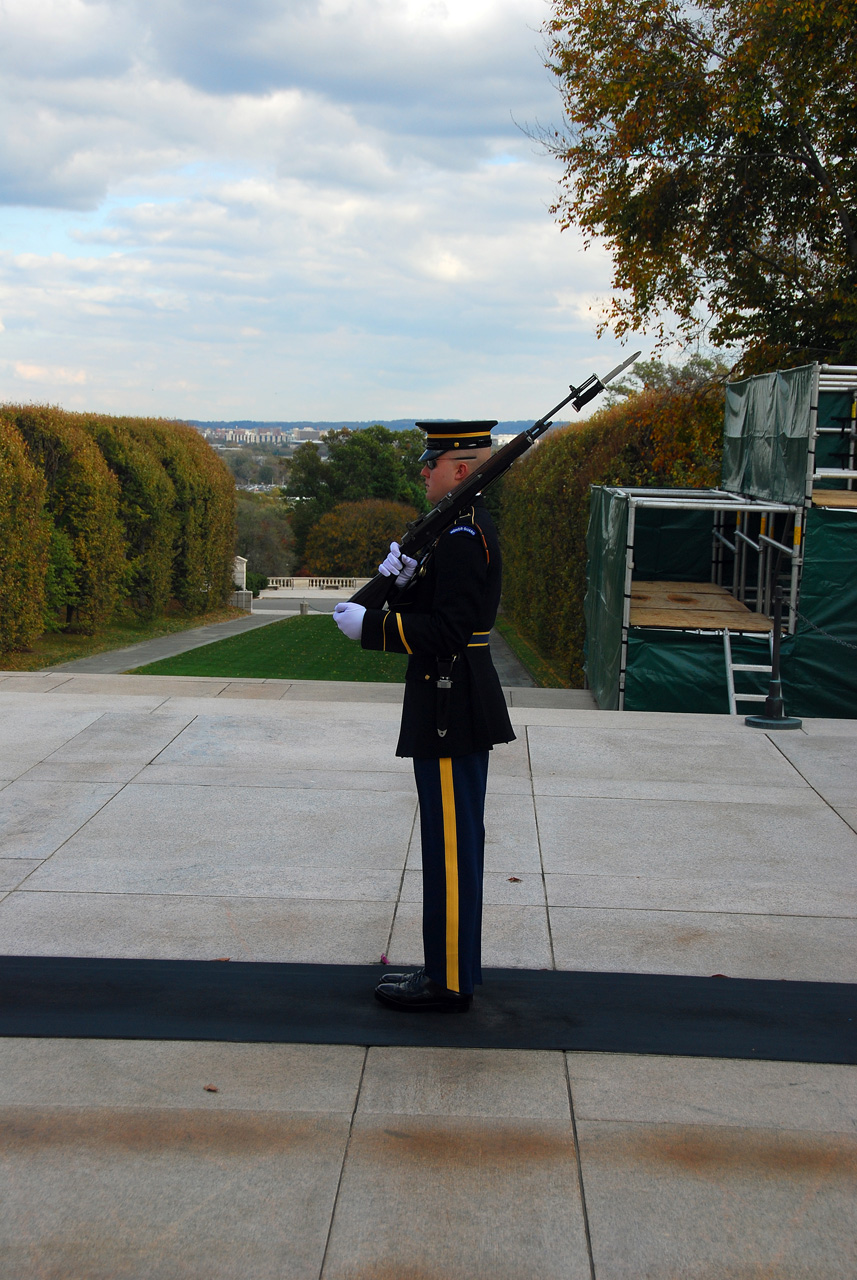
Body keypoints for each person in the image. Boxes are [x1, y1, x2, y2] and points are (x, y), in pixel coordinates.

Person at [333, 421, 515, 1011]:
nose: (423, 471)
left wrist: (375, 628)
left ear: (461, 470)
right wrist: (401, 582)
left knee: (451, 851)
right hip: (452, 701)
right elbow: (440, 610)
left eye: (432, 462)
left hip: (451, 704)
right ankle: (449, 972)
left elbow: (450, 631)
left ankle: (449, 982)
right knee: (451, 846)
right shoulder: (458, 531)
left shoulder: (463, 536)